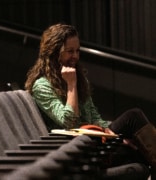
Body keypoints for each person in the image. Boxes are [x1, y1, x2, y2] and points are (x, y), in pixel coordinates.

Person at [25, 23, 156, 178]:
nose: (75, 56)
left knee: (137, 147)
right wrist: (71, 85)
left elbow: (95, 118)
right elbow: (70, 123)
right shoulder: (42, 86)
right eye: (70, 51)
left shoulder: (80, 78)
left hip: (94, 139)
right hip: (74, 148)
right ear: (54, 53)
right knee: (133, 117)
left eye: (77, 51)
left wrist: (114, 136)